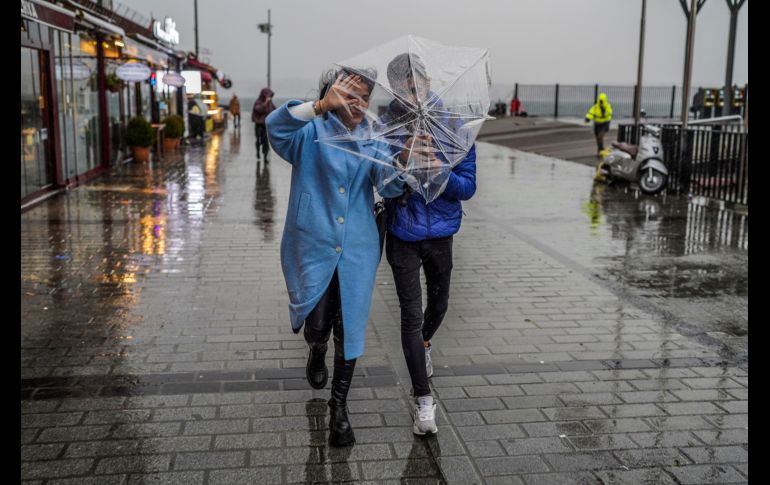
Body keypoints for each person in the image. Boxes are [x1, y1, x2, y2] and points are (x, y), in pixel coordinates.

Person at [266, 69, 405, 447]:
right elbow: (275, 129)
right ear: (334, 97)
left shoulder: (373, 138)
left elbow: (388, 185)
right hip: (312, 241)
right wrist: (317, 106)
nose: (360, 105)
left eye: (366, 98)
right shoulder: (310, 133)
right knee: (319, 324)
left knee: (351, 329)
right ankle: (316, 348)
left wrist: (403, 161)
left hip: (358, 248)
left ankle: (338, 409)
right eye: (352, 97)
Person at [382, 53, 477, 436]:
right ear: (395, 88)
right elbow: (379, 182)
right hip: (402, 231)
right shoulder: (385, 126)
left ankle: (424, 343)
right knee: (410, 313)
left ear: (428, 79)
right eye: (402, 82)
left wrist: (439, 173)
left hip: (440, 233)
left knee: (439, 304)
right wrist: (403, 165)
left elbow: (468, 187)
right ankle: (423, 401)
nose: (410, 88)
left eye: (415, 80)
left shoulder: (454, 125)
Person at [584, 93, 613, 157]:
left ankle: (601, 149)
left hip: (605, 123)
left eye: (602, 100)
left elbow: (609, 113)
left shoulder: (608, 106)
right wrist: (588, 118)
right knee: (597, 138)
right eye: (600, 100)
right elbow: (591, 112)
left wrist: (604, 111)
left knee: (600, 136)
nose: (601, 102)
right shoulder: (595, 106)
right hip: (597, 124)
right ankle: (600, 149)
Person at [253, 88, 277, 160]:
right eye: (268, 95)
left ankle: (265, 157)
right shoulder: (258, 102)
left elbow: (275, 110)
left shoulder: (270, 103)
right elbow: (257, 109)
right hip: (259, 125)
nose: (269, 97)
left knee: (266, 141)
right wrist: (265, 103)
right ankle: (258, 151)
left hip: (266, 126)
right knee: (258, 140)